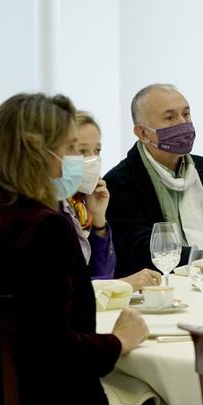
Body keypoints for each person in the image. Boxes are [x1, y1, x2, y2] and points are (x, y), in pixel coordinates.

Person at [0, 93, 173, 405]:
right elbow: (55, 351)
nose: (81, 161)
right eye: (71, 148)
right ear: (38, 155)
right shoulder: (45, 228)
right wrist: (118, 341)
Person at [104, 84, 203, 278]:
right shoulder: (119, 181)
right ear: (142, 133)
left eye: (186, 114)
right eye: (170, 118)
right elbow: (144, 252)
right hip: (156, 293)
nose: (183, 123)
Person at [65, 111, 161, 288]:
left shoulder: (82, 206)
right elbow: (66, 290)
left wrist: (99, 222)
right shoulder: (51, 208)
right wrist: (122, 284)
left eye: (97, 150)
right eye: (81, 151)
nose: (92, 159)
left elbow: (103, 274)